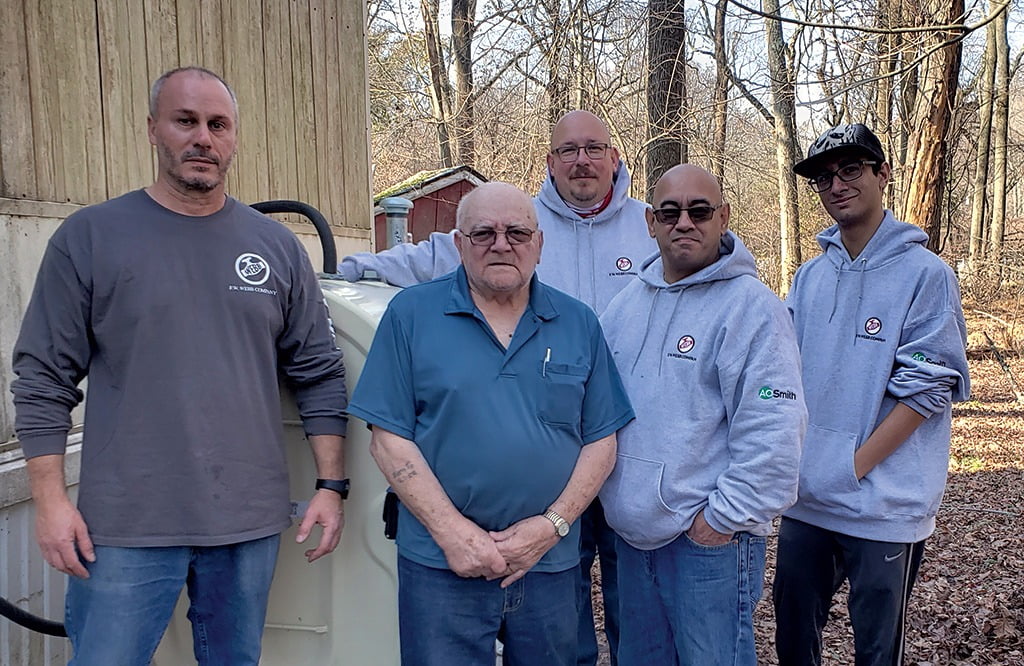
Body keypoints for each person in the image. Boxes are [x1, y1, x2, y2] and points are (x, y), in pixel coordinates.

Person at [10, 67, 350, 665]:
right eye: (185, 121)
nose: (203, 138)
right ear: (152, 130)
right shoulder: (90, 237)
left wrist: (331, 485)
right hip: (122, 525)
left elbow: (318, 372)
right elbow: (43, 376)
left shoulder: (275, 246)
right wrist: (49, 500)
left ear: (235, 138)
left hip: (246, 524)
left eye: (218, 125)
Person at [341, 110, 652, 664]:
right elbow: (387, 438)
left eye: (516, 234)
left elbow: (602, 439)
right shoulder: (411, 316)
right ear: (459, 244)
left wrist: (550, 527)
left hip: (549, 563)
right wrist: (453, 533)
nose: (501, 244)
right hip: (440, 563)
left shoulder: (578, 323)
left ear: (538, 244)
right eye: (484, 234)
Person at [772, 123, 971, 665]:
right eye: (823, 177)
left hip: (885, 506)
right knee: (792, 633)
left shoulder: (925, 275)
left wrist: (851, 468)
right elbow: (782, 377)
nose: (837, 184)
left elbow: (928, 390)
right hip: (808, 502)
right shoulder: (810, 278)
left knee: (877, 650)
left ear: (883, 174)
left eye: (852, 169)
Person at [598, 164, 807, 665]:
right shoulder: (625, 307)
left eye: (700, 210)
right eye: (670, 212)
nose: (684, 222)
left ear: (724, 217)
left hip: (709, 544)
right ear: (650, 222)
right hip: (632, 540)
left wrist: (720, 521)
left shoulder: (752, 309)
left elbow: (776, 432)